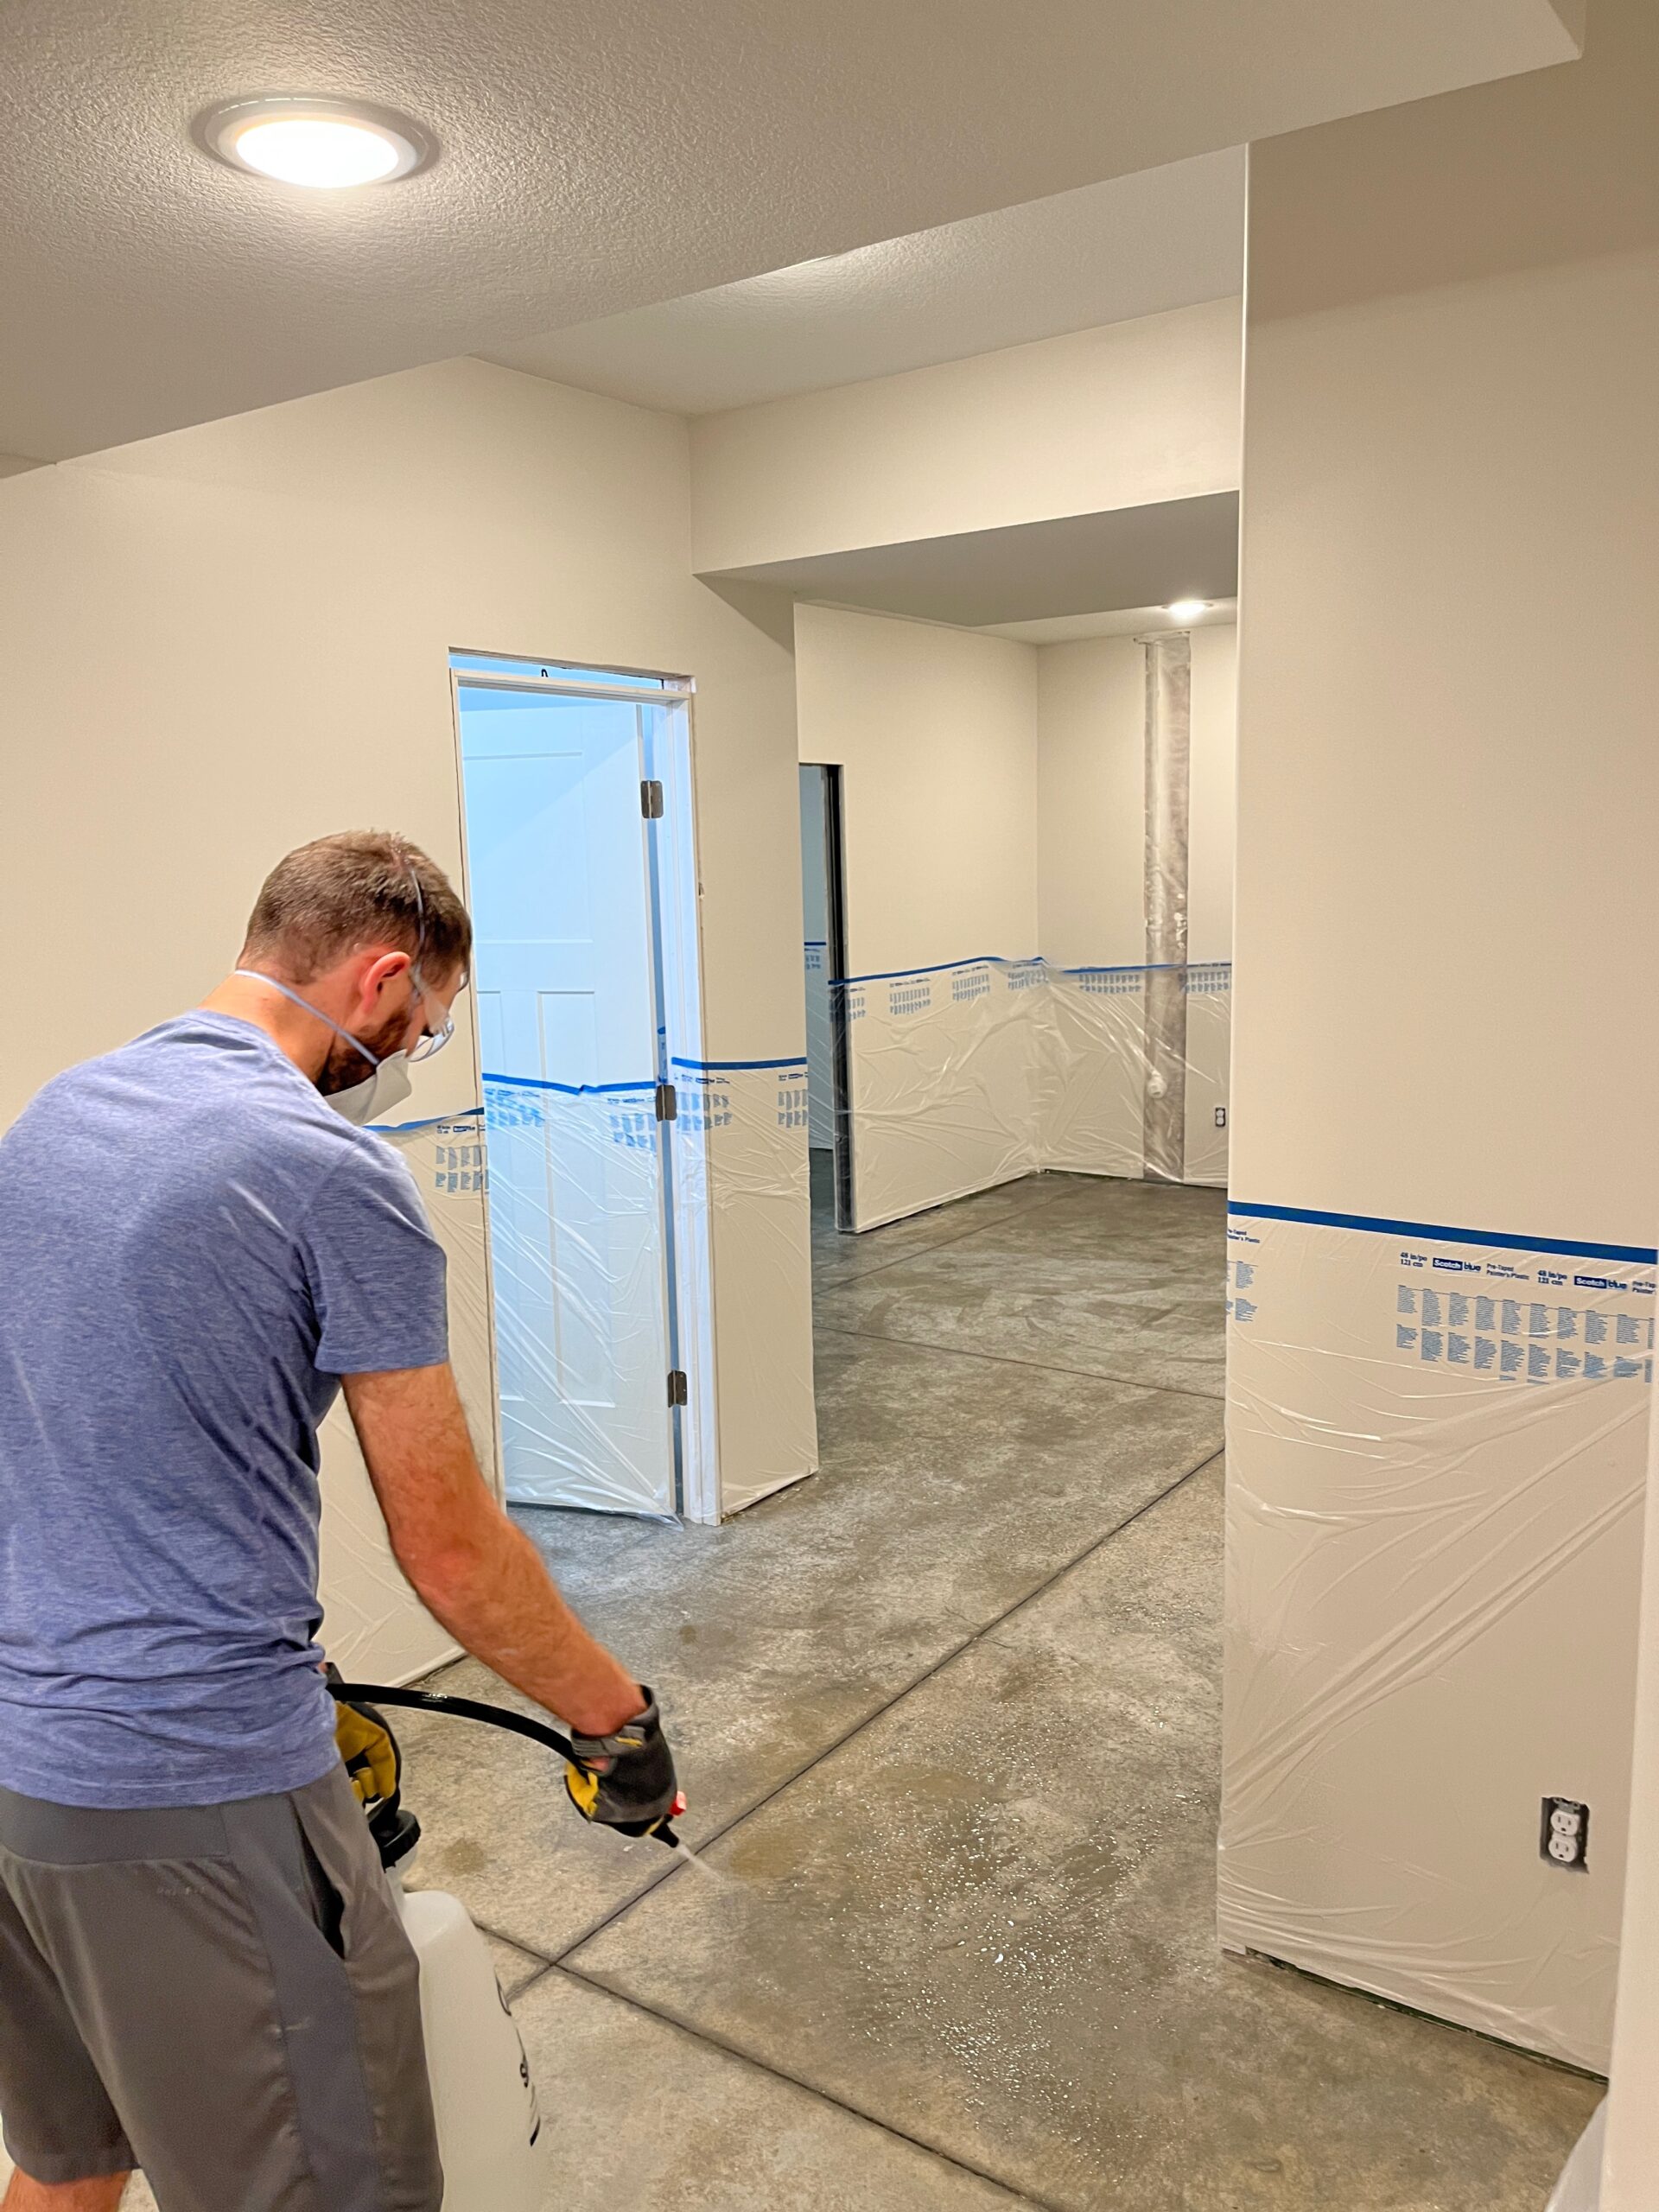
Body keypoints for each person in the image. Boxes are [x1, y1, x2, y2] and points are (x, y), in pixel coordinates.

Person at [0, 831, 676, 2212]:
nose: (412, 1060)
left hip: (15, 1766)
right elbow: (452, 1550)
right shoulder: (330, 1175)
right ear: (378, 983)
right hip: (189, 1781)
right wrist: (617, 1722)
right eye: (425, 1028)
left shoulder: (56, 1115)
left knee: (73, 2158)